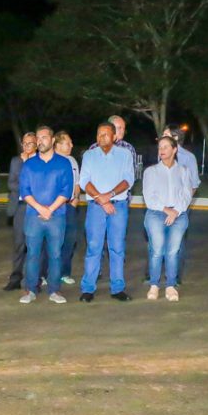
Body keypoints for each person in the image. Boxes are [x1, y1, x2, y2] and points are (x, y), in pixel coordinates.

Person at [78, 122, 134, 303]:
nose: (102, 137)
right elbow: (84, 181)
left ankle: (117, 288)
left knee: (117, 248)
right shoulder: (89, 155)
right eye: (99, 134)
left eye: (106, 134)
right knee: (93, 247)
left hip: (118, 206)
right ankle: (88, 288)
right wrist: (101, 199)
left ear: (114, 137)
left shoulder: (124, 155)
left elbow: (128, 180)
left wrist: (109, 195)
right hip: (96, 207)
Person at [18, 126, 73, 304]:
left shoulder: (64, 163)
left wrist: (50, 209)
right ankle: (31, 290)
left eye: (44, 137)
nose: (40, 141)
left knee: (55, 255)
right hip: (33, 217)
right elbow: (24, 190)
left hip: (56, 217)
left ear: (52, 140)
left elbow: (67, 190)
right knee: (32, 254)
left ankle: (54, 290)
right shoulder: (29, 164)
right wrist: (40, 208)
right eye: (38, 138)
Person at [142, 136, 194, 302]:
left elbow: (187, 194)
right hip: (156, 214)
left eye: (165, 147)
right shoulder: (151, 171)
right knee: (157, 251)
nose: (162, 150)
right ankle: (154, 284)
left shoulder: (184, 171)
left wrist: (176, 211)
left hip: (178, 216)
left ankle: (171, 285)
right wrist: (166, 210)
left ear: (175, 149)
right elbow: (149, 197)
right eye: (160, 147)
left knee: (172, 251)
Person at [164, 124, 201, 283]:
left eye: (166, 135)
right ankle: (154, 274)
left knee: (177, 241)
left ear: (176, 138)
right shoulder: (162, 154)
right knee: (157, 239)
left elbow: (194, 185)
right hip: (163, 206)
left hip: (180, 207)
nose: (162, 138)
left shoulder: (188, 158)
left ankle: (175, 276)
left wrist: (181, 207)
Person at [2, 132, 37, 291]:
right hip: (21, 208)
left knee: (36, 245)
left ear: (36, 145)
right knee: (19, 244)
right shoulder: (16, 161)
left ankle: (35, 279)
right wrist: (24, 164)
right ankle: (15, 278)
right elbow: (11, 184)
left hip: (37, 207)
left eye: (30, 143)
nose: (27, 146)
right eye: (25, 143)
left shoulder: (41, 161)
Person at [54, 130, 81, 285]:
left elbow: (77, 183)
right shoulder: (50, 160)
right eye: (67, 142)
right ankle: (45, 274)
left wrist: (76, 198)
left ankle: (64, 272)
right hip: (54, 207)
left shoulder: (72, 161)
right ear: (57, 144)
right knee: (52, 241)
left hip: (70, 206)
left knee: (69, 239)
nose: (71, 145)